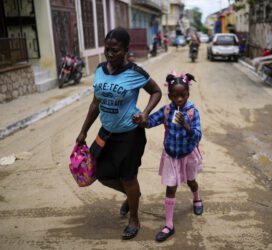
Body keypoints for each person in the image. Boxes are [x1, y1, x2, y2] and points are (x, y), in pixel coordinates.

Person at [76, 27, 162, 240]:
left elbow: (157, 91)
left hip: (129, 135)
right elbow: (96, 103)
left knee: (128, 176)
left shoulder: (135, 72)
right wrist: (83, 131)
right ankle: (133, 195)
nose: (110, 54)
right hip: (106, 133)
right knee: (101, 174)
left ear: (126, 50)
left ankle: (134, 219)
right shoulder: (99, 69)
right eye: (107, 49)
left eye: (115, 50)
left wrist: (145, 113)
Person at [143, 72, 203, 242]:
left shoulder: (192, 112)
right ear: (169, 96)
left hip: (187, 154)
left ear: (187, 95)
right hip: (171, 155)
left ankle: (197, 198)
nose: (179, 100)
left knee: (191, 182)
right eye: (175, 96)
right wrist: (142, 120)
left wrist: (186, 126)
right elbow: (150, 121)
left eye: (182, 96)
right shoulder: (167, 110)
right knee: (171, 187)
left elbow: (198, 136)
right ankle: (169, 224)